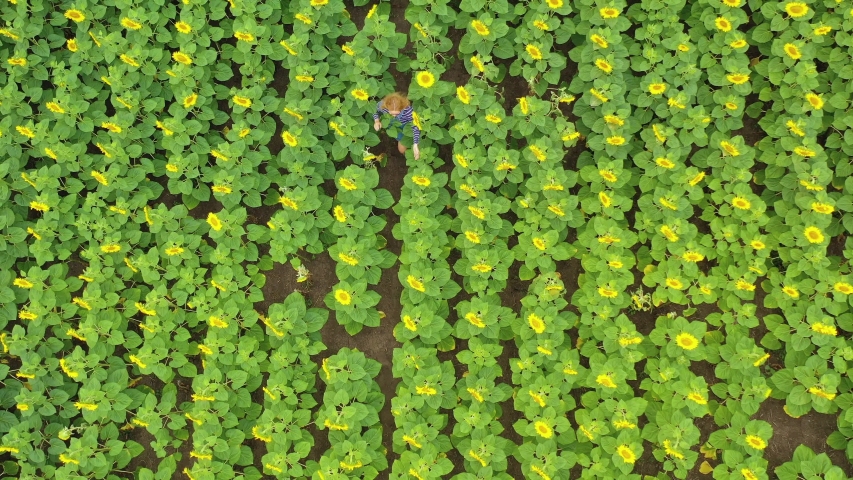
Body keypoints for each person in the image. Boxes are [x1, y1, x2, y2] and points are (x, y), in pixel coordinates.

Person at [373, 92, 421, 160]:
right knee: (402, 150)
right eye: (392, 113)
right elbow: (375, 110)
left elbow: (415, 126)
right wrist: (376, 121)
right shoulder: (383, 105)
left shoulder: (407, 110)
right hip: (392, 125)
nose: (394, 116)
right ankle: (408, 157)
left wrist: (415, 144)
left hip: (405, 126)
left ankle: (415, 153)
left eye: (397, 113)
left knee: (405, 148)